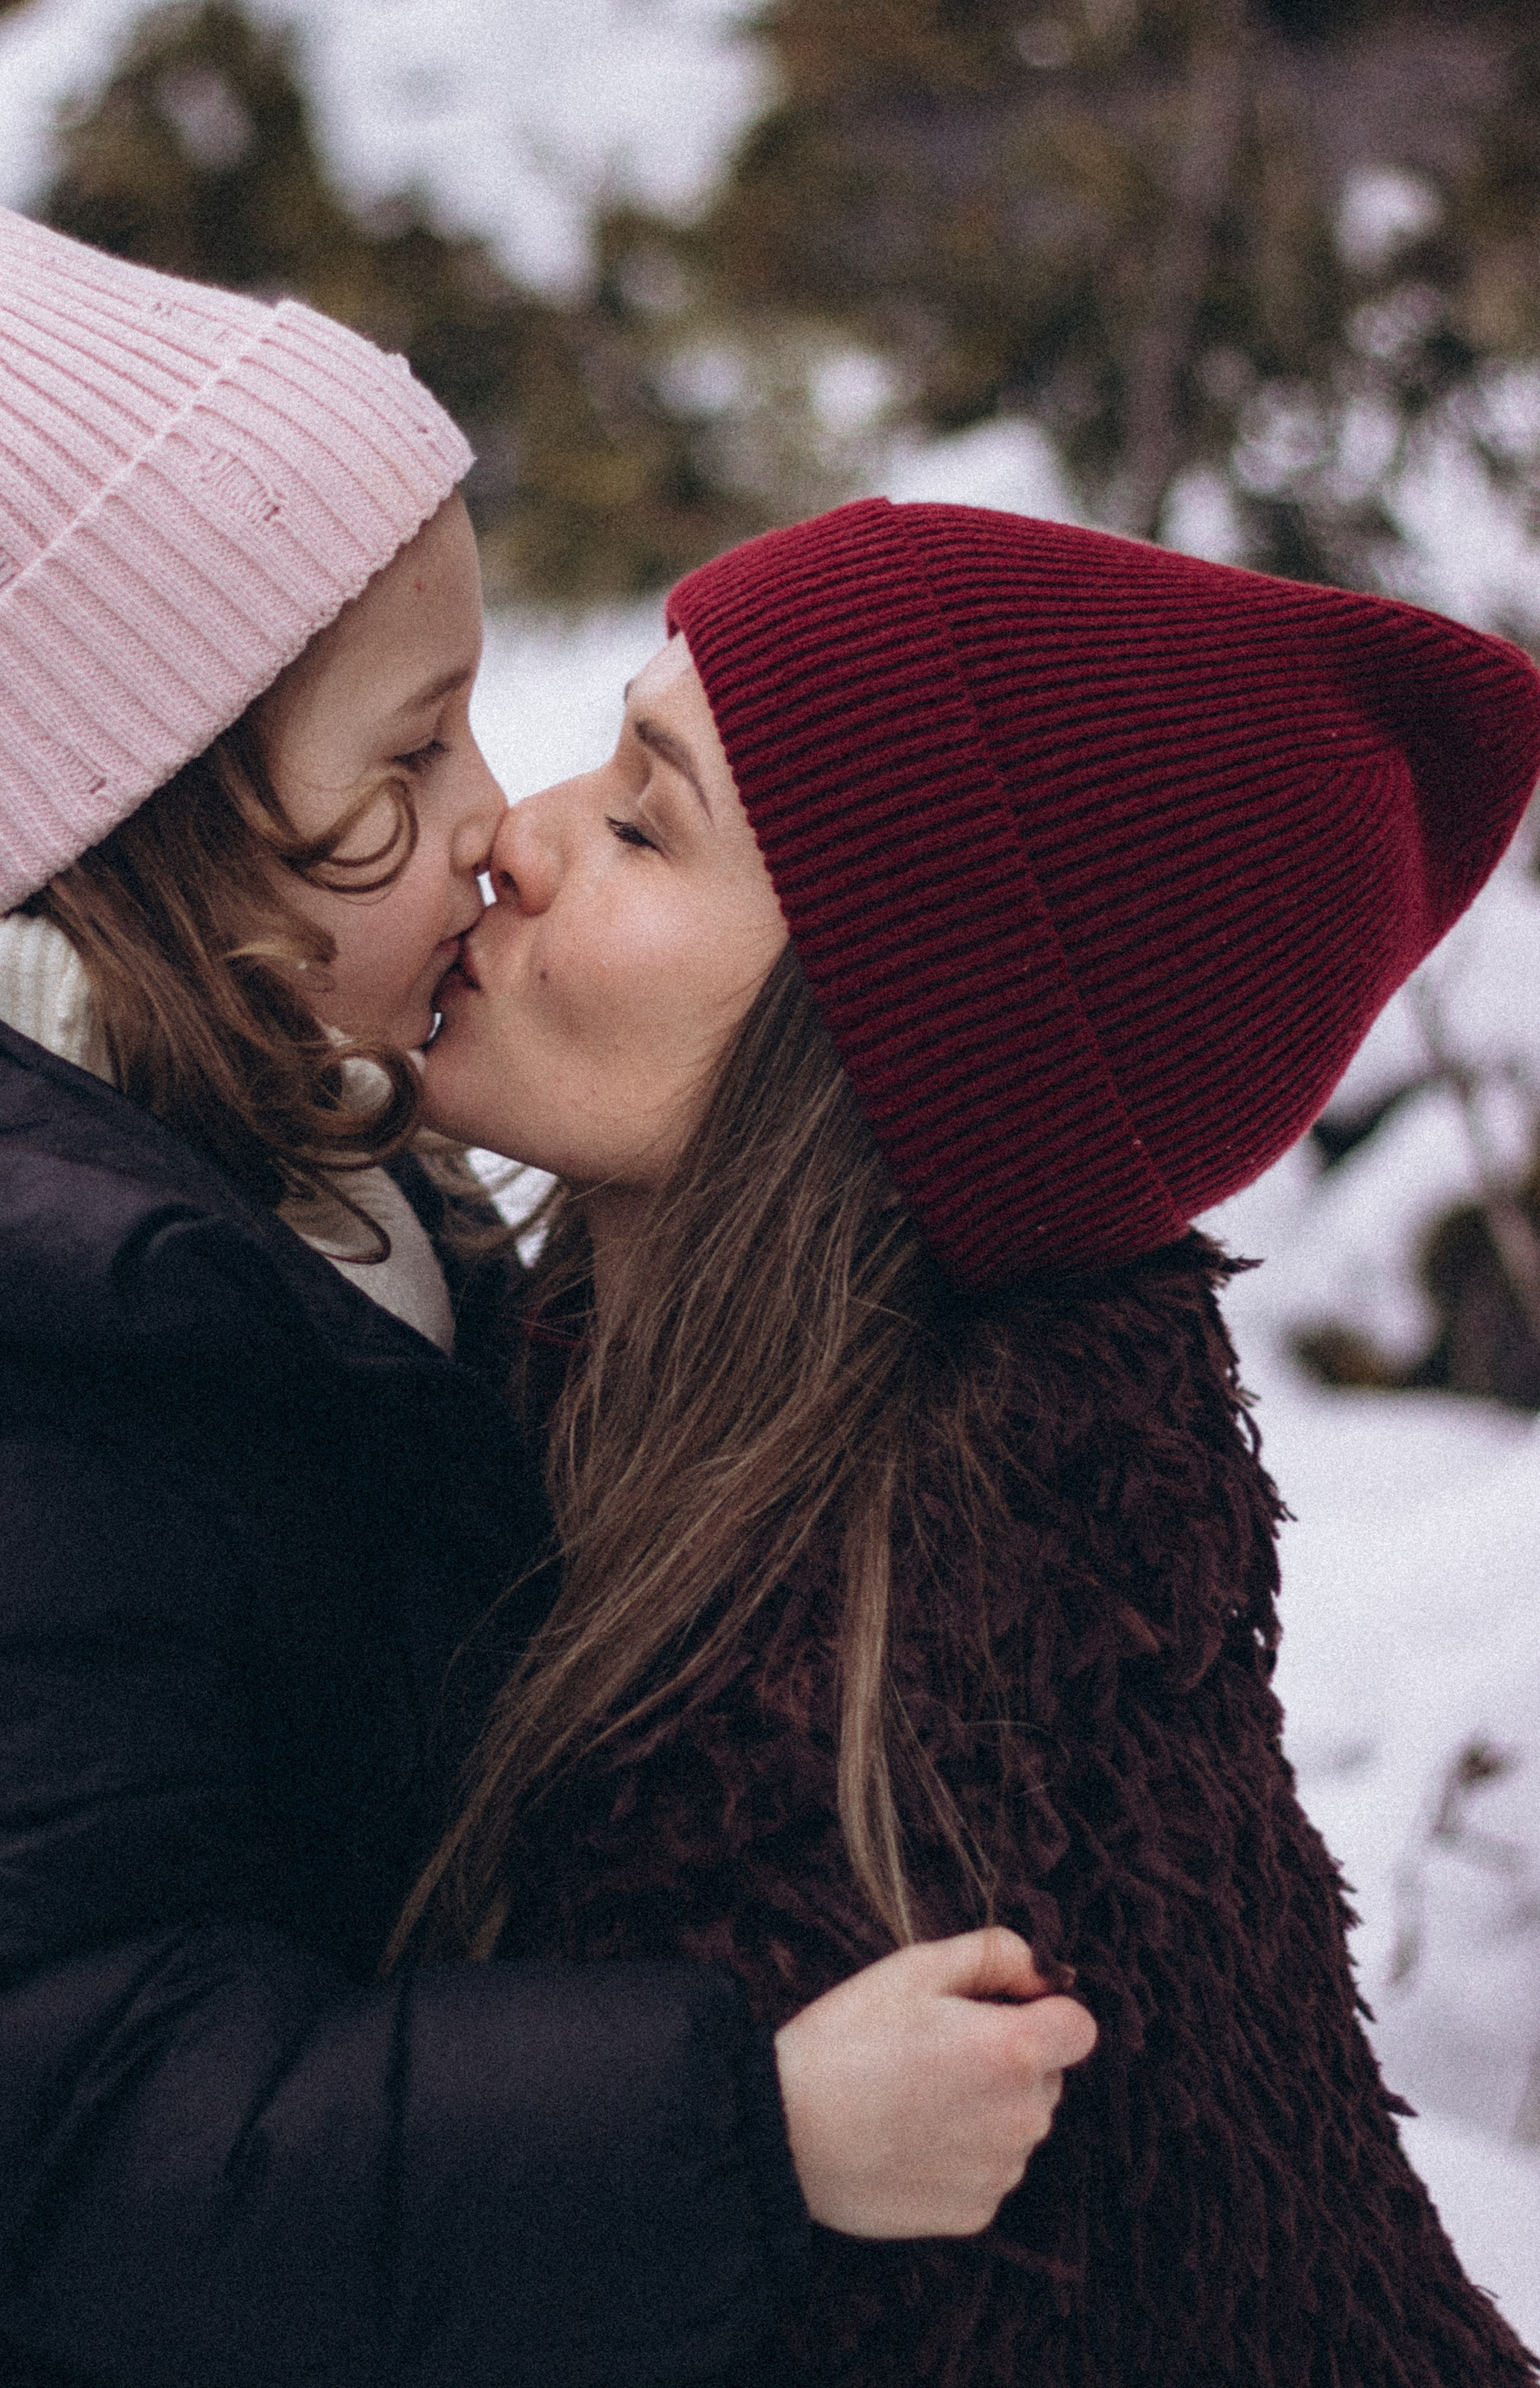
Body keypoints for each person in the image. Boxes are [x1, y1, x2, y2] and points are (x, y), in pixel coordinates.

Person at [0, 150, 1095, 2388]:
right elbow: (86, 2124)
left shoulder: (255, 1149)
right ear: (143, 833)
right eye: (407, 759)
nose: (499, 817)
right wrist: (743, 2131)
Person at [413, 498, 1540, 2384]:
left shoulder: (868, 1759)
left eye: (638, 820)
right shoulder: (589, 1419)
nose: (507, 838)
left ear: (875, 1052)